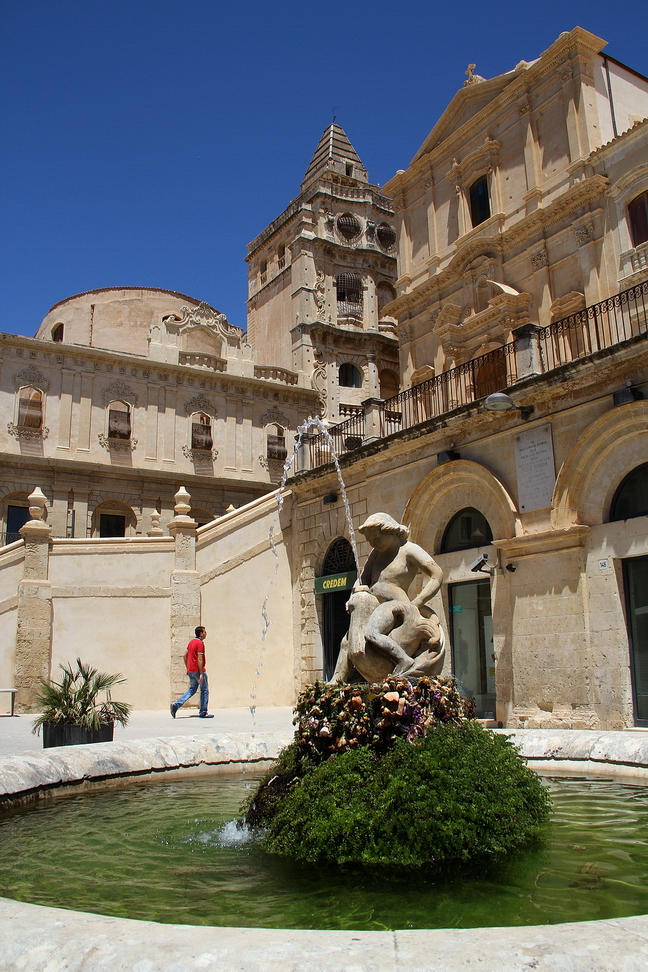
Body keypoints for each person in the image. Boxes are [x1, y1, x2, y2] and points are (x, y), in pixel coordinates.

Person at [331, 513, 445, 683]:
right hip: (372, 605)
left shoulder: (409, 550)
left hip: (394, 605)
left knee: (372, 633)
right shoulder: (376, 553)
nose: (373, 544)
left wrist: (417, 602)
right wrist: (353, 595)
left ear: (390, 532)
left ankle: (403, 660)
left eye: (376, 539)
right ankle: (337, 680)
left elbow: (437, 574)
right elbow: (363, 577)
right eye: (370, 541)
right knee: (346, 641)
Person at [170, 626, 214, 718]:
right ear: (201, 634)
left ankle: (176, 704)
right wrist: (201, 673)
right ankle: (203, 712)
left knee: (192, 689)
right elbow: (200, 659)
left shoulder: (191, 643)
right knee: (204, 690)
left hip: (191, 670)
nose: (206, 634)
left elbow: (184, 655)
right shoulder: (200, 643)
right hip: (198, 670)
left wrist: (188, 668)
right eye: (205, 632)